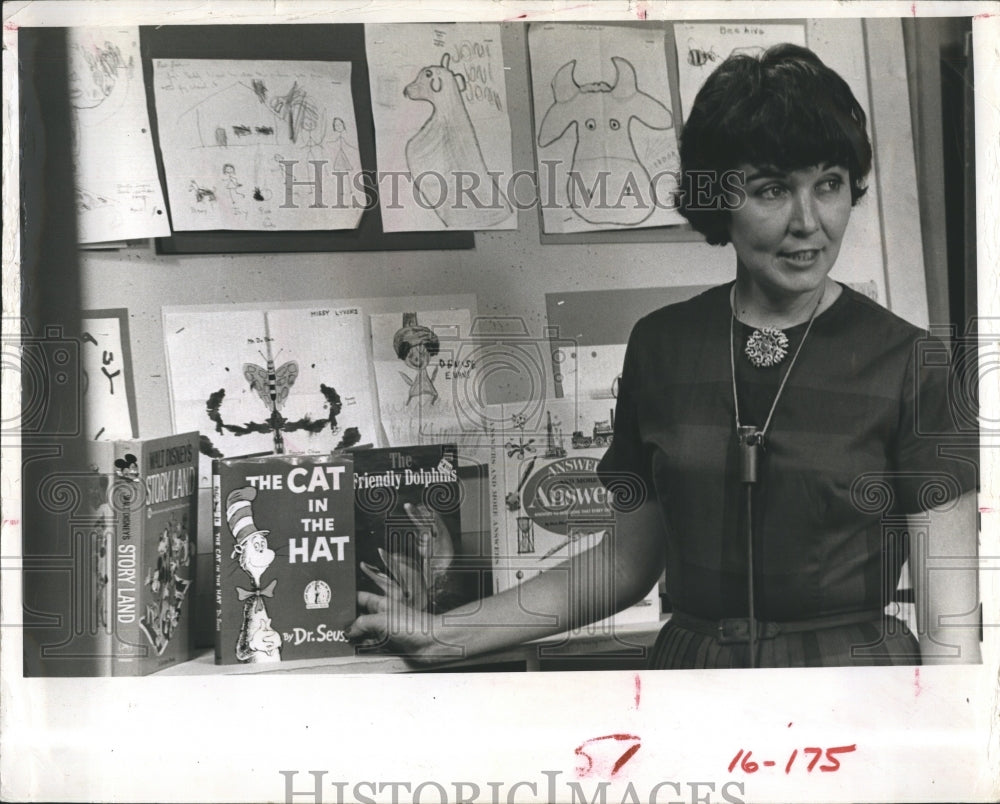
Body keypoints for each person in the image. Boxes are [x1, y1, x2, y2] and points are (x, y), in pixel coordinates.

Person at [346, 44, 980, 669]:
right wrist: (442, 633)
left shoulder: (912, 363)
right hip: (697, 678)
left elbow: (951, 629)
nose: (808, 221)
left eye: (830, 185)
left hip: (853, 688)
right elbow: (623, 563)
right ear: (720, 202)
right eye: (771, 190)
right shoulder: (663, 345)